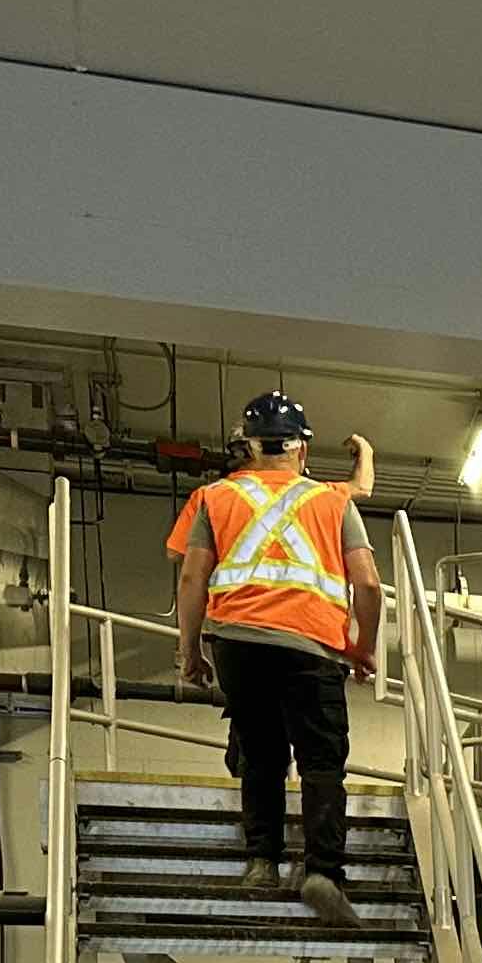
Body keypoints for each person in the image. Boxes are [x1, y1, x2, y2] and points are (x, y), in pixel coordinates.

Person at [171, 391, 384, 925]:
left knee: (261, 754)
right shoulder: (332, 503)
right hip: (312, 646)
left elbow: (193, 577)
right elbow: (370, 586)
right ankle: (323, 873)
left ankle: (261, 863)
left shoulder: (212, 498)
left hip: (238, 644)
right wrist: (360, 648)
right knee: (320, 760)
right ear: (302, 451)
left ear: (247, 447)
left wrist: (190, 651)